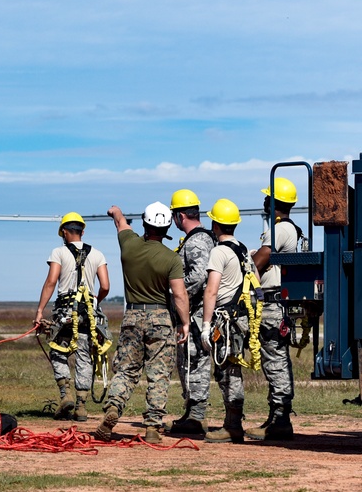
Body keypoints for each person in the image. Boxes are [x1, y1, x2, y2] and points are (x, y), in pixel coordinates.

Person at [94, 202, 189, 444]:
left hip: (132, 317)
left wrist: (115, 210)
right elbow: (179, 295)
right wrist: (185, 323)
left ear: (145, 224)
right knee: (158, 375)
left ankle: (113, 408)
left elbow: (120, 222)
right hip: (160, 319)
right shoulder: (171, 259)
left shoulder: (129, 245)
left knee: (126, 370)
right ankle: (153, 428)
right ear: (167, 227)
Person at [33, 212, 110, 422]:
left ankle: (65, 394)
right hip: (87, 314)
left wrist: (40, 311)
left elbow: (51, 281)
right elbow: (105, 286)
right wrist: (95, 301)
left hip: (64, 313)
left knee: (58, 352)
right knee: (85, 356)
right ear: (82, 231)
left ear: (64, 232)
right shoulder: (97, 254)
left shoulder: (58, 252)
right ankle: (82, 406)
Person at [200, 199, 262, 443]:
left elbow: (211, 291)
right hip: (244, 316)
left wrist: (206, 327)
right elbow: (256, 279)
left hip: (227, 318)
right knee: (230, 368)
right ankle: (232, 421)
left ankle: (233, 425)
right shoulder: (243, 249)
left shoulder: (218, 252)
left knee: (229, 370)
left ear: (215, 225)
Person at [246, 176, 301, 440]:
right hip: (279, 303)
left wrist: (243, 272)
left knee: (275, 361)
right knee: (274, 360)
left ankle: (280, 420)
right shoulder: (290, 229)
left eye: (268, 197)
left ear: (274, 202)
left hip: (271, 304)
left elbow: (260, 260)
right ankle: (276, 417)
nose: (264, 201)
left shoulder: (279, 230)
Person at [167, 189, 216, 436]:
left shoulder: (196, 241)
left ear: (181, 216)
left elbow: (198, 276)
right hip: (195, 312)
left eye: (175, 215)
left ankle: (196, 416)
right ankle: (191, 411)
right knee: (188, 362)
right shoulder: (203, 238)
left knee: (194, 362)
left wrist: (175, 290)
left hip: (196, 314)